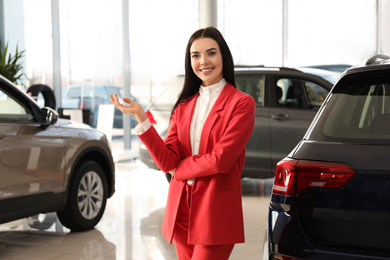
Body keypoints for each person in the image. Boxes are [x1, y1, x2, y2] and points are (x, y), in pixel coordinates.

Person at [109, 26, 255, 260]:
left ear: (223, 56)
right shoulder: (183, 106)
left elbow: (221, 159)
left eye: (211, 53)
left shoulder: (241, 103)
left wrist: (180, 169)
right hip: (180, 209)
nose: (203, 61)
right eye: (195, 55)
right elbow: (167, 161)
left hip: (214, 210)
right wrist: (141, 118)